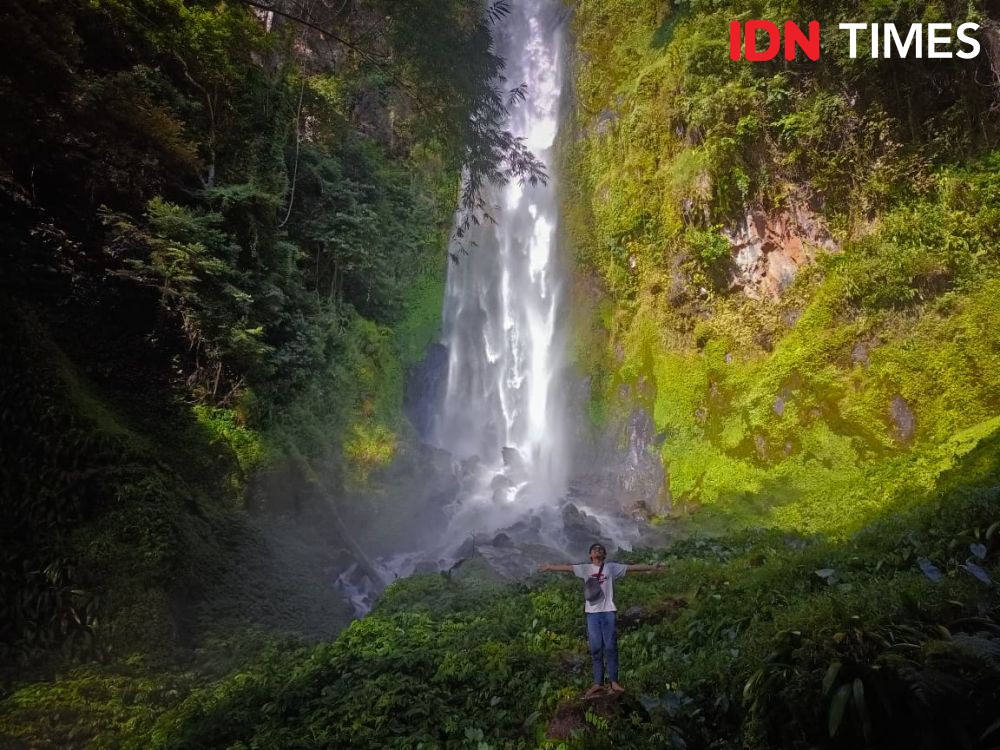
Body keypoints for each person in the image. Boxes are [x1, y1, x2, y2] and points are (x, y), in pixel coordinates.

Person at [539, 542, 664, 696]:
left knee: (611, 647)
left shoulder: (611, 567)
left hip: (608, 611)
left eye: (600, 550)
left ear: (604, 555)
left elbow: (631, 568)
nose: (597, 551)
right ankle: (598, 683)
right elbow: (568, 567)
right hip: (592, 613)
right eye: (594, 550)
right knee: (596, 648)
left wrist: (652, 567)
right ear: (590, 555)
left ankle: (614, 682)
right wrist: (550, 567)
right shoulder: (585, 568)